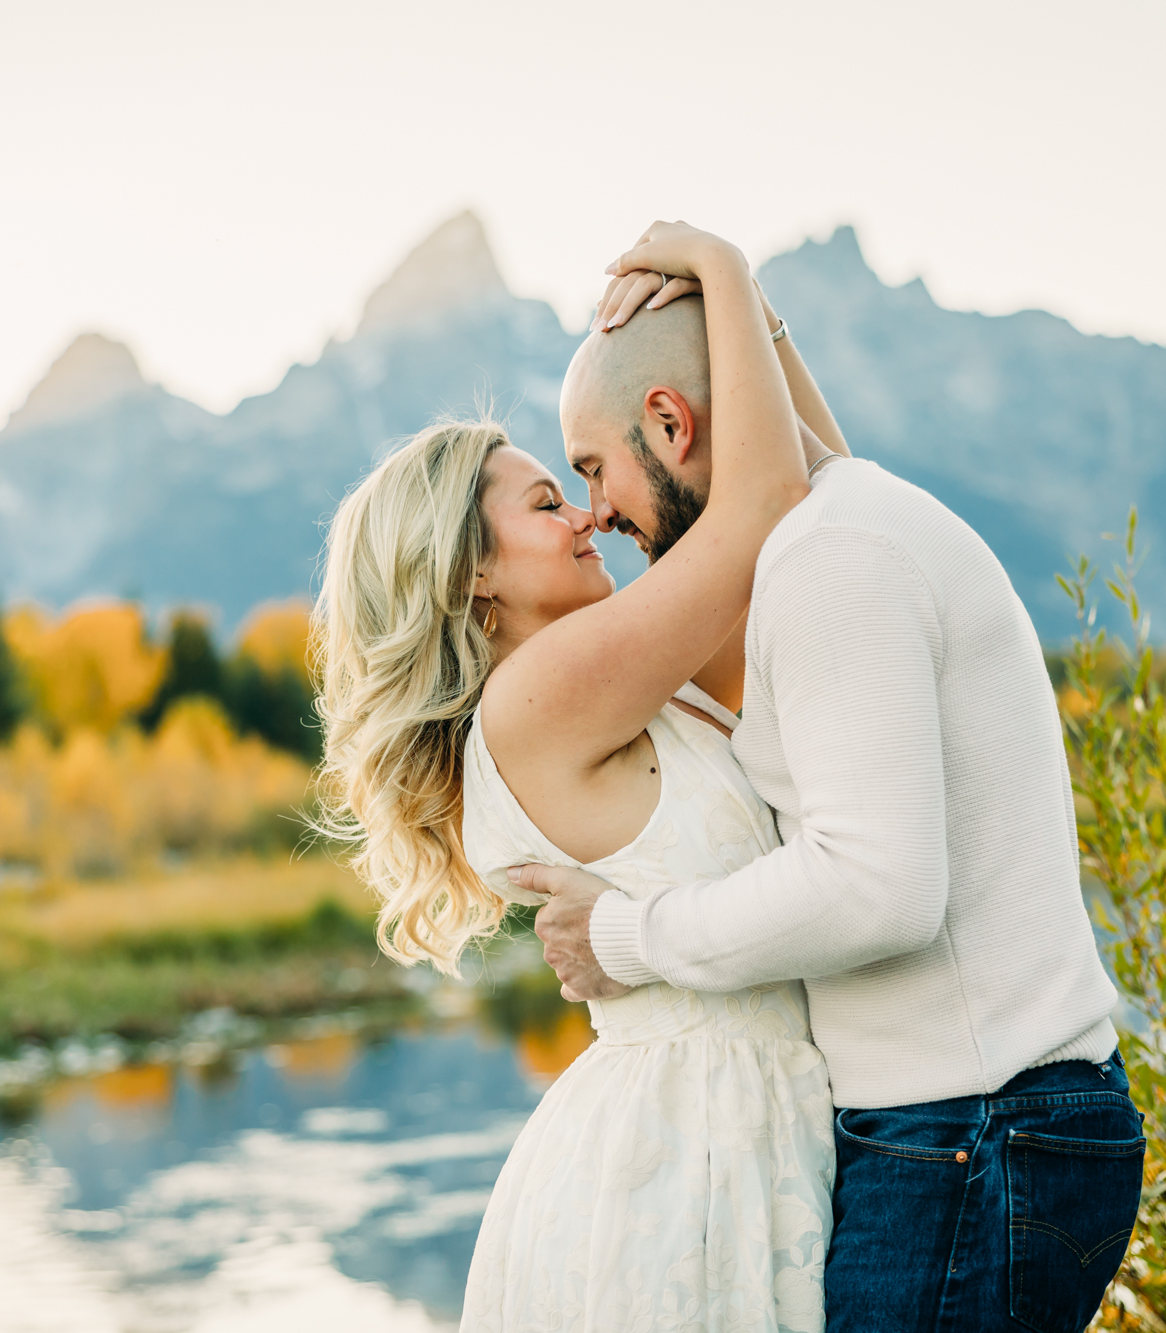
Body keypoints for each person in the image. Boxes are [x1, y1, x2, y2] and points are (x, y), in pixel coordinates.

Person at [513, 257, 1148, 1332]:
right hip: (979, 1130)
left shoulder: (829, 561)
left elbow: (878, 885)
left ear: (668, 423)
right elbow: (796, 472)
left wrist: (626, 937)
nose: (594, 512)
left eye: (590, 468)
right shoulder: (836, 530)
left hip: (972, 1132)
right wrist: (740, 299)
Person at [313, 221, 846, 1331]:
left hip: (746, 1121)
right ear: (471, 575)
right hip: (684, 1155)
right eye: (550, 503)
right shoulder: (533, 699)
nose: (592, 511)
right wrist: (724, 274)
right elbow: (765, 508)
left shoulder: (639, 682)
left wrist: (757, 321)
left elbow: (824, 513)